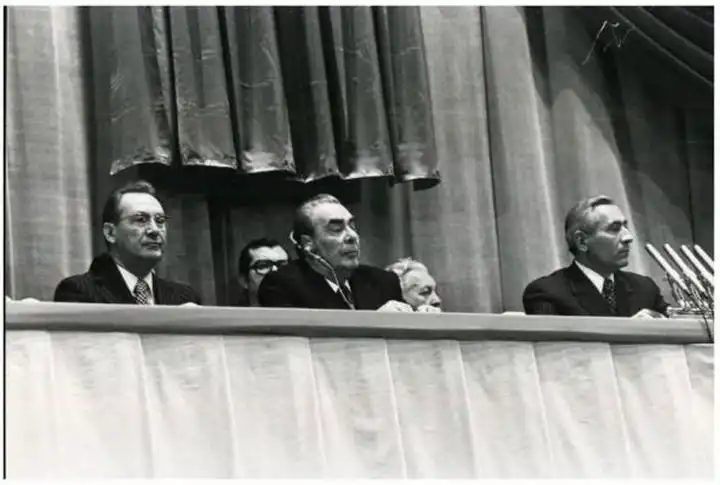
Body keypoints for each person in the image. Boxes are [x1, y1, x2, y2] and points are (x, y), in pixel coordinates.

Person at [54, 180, 201, 305]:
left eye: (160, 221)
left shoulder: (184, 298)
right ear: (110, 233)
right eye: (141, 220)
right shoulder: (78, 291)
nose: (155, 230)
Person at [258, 194, 411, 311]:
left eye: (352, 226)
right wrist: (377, 322)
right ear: (308, 243)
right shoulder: (281, 285)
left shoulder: (383, 282)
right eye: (337, 229)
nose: (352, 236)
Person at [522, 195, 668, 318]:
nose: (628, 237)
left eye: (625, 227)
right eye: (614, 229)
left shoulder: (645, 288)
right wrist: (632, 330)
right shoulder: (546, 293)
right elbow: (556, 344)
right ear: (581, 241)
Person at [233, 238, 289, 307]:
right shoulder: (229, 314)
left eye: (283, 265)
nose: (275, 272)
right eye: (263, 266)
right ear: (244, 280)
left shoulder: (301, 312)